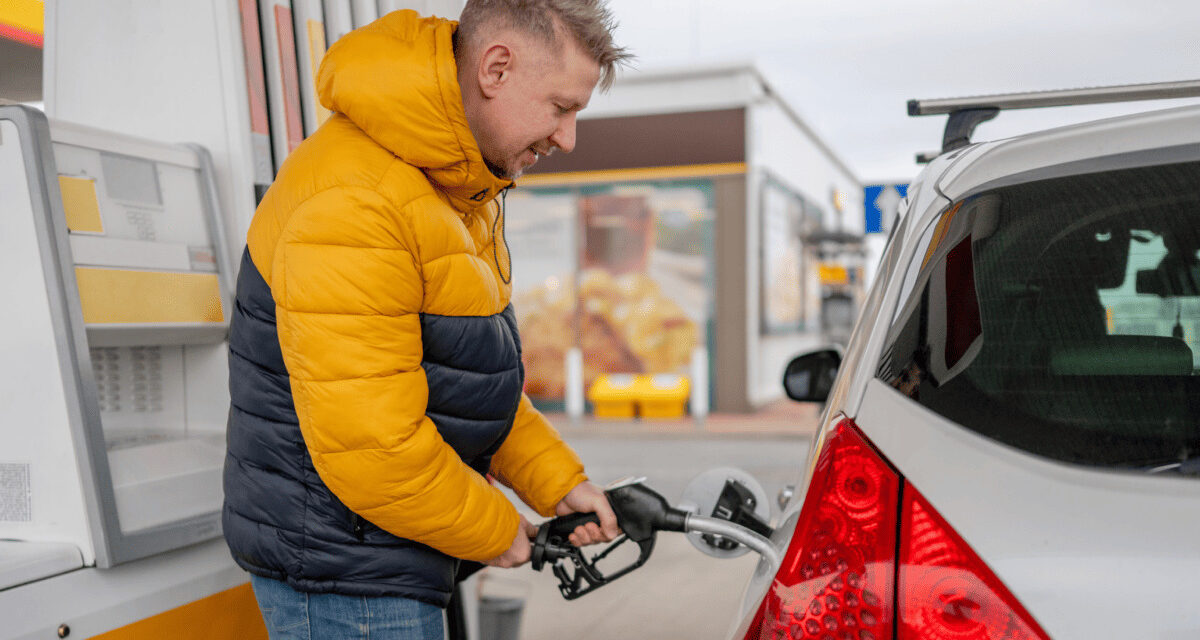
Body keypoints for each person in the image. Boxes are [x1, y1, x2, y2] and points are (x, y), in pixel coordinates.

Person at [221, 2, 631, 637]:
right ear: (496, 68)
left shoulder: (449, 187)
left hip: (385, 554)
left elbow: (462, 381)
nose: (567, 136)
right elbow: (376, 449)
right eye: (560, 107)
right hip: (345, 575)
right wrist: (499, 530)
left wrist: (555, 482)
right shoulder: (356, 201)